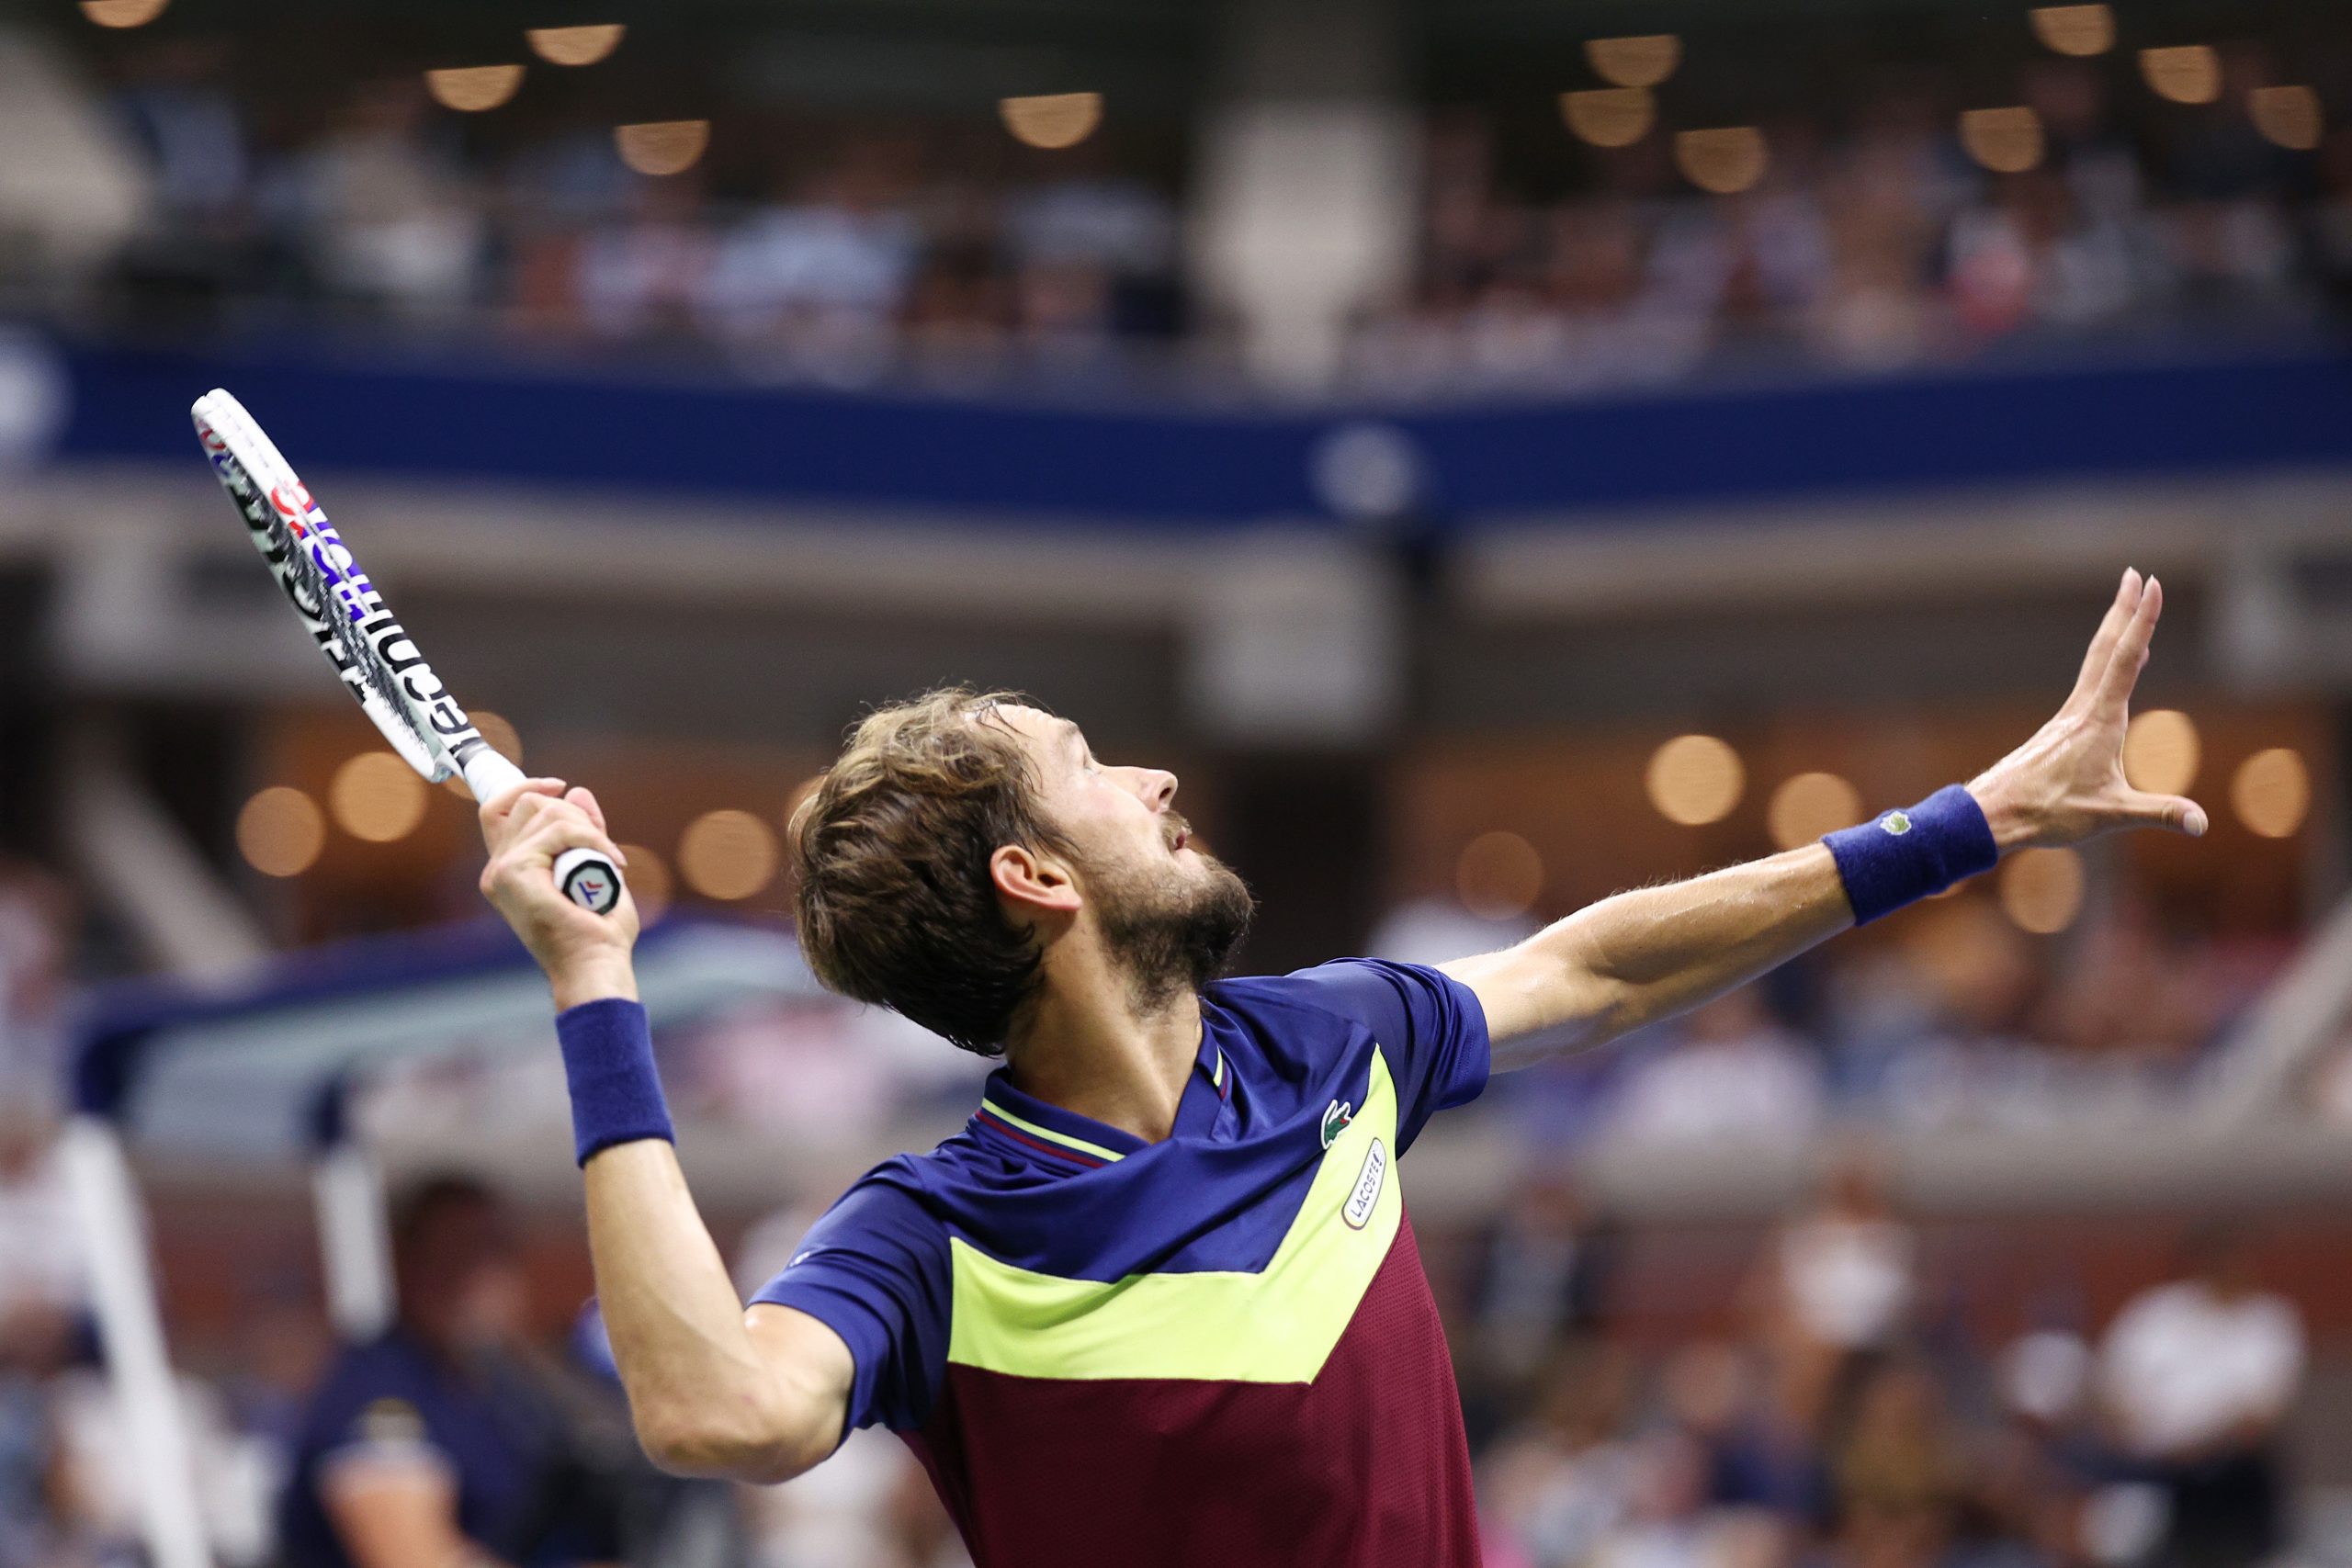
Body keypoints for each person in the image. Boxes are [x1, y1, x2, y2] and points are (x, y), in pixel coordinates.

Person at [474, 570, 2201, 1566]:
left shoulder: (1327, 1040)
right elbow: (718, 1406)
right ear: (1035, 877)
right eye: (1091, 766)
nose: (1153, 776)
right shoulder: (942, 1232)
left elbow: (1592, 962)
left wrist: (1970, 823)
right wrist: (594, 986)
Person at [277, 1178, 616, 1568]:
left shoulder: (506, 1388)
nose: (476, 1278)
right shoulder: (376, 1389)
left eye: (494, 1252)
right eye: (449, 1253)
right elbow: (415, 1558)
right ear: (403, 1262)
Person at [2098, 1228, 2305, 1568]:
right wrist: (2144, 1443)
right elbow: (2112, 1393)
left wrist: (2195, 1447)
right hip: (2144, 1467)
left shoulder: (2268, 1320)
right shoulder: (2155, 1315)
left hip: (2228, 1475)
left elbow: (2263, 1414)